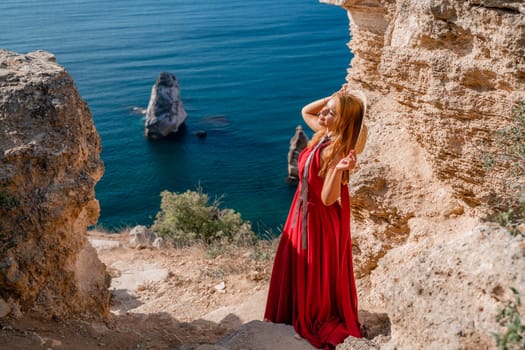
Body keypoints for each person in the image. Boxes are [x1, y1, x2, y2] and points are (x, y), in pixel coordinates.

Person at [264, 87, 367, 349]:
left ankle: (309, 315)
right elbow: (306, 111)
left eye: (330, 113)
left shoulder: (338, 151)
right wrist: (332, 98)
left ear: (342, 121)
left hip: (318, 221)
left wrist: (339, 170)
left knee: (312, 271)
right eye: (325, 110)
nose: (321, 114)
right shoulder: (324, 134)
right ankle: (291, 312)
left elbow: (328, 199)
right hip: (301, 213)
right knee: (297, 265)